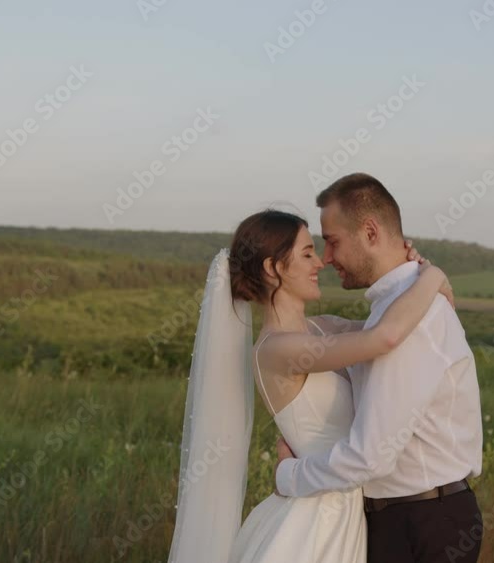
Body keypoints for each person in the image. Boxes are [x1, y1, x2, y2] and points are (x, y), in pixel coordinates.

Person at [167, 204, 459, 563]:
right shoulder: (277, 350)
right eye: (307, 253)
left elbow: (408, 328)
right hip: (314, 520)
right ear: (273, 268)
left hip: (348, 512)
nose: (320, 263)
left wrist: (410, 270)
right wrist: (432, 275)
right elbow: (385, 337)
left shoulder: (323, 328)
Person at [275, 173, 484, 563]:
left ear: (370, 232)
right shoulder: (396, 307)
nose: (327, 258)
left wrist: (288, 475)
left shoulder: (412, 316)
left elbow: (370, 456)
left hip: (422, 524)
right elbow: (342, 334)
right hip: (408, 517)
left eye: (333, 241)